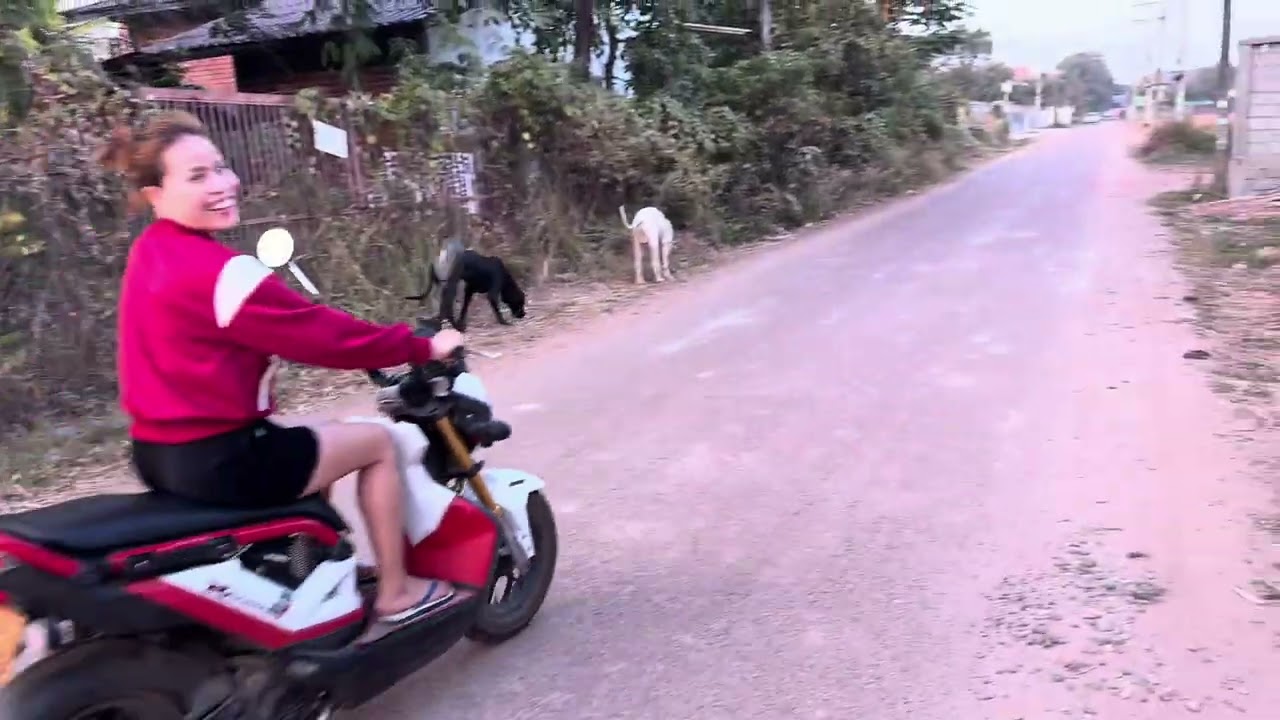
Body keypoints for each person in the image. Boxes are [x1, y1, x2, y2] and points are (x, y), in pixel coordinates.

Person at [101, 110, 460, 626]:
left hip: (158, 453)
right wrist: (420, 347)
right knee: (379, 444)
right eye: (198, 177)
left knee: (321, 435)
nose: (223, 185)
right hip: (224, 461)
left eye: (221, 168)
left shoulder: (150, 252)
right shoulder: (223, 273)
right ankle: (397, 593)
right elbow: (326, 336)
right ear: (156, 194)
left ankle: (306, 567)